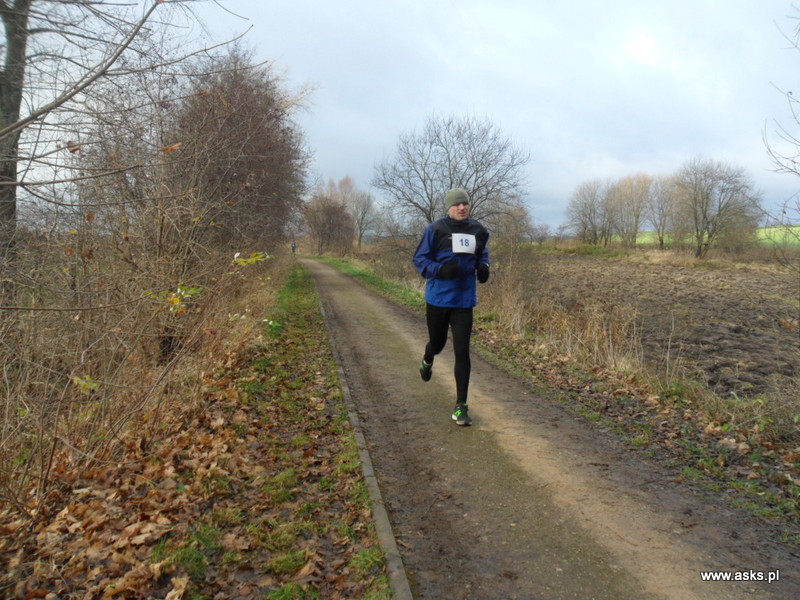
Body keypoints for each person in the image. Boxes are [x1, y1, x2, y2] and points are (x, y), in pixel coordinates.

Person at [412, 187, 490, 426]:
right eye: (457, 204)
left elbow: (482, 253)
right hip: (438, 299)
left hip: (463, 301)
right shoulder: (435, 229)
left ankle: (460, 407)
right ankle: (427, 359)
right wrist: (440, 269)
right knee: (437, 344)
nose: (462, 207)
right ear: (449, 207)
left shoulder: (477, 230)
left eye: (465, 204)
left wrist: (484, 266)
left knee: (462, 351)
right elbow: (420, 259)